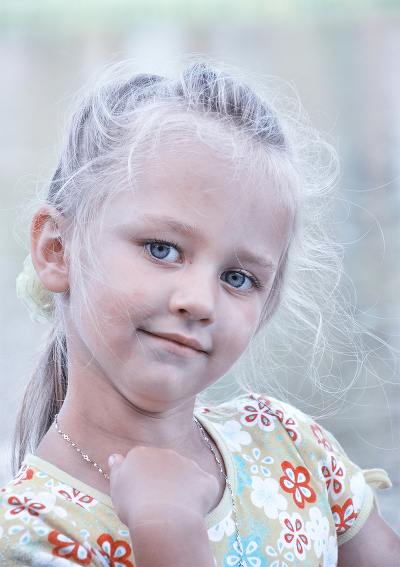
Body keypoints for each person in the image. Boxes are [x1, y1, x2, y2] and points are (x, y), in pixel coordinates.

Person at [1, 62, 398, 567]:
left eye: (238, 278)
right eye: (162, 249)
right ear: (57, 250)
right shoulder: (32, 533)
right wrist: (168, 529)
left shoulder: (290, 445)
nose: (201, 301)